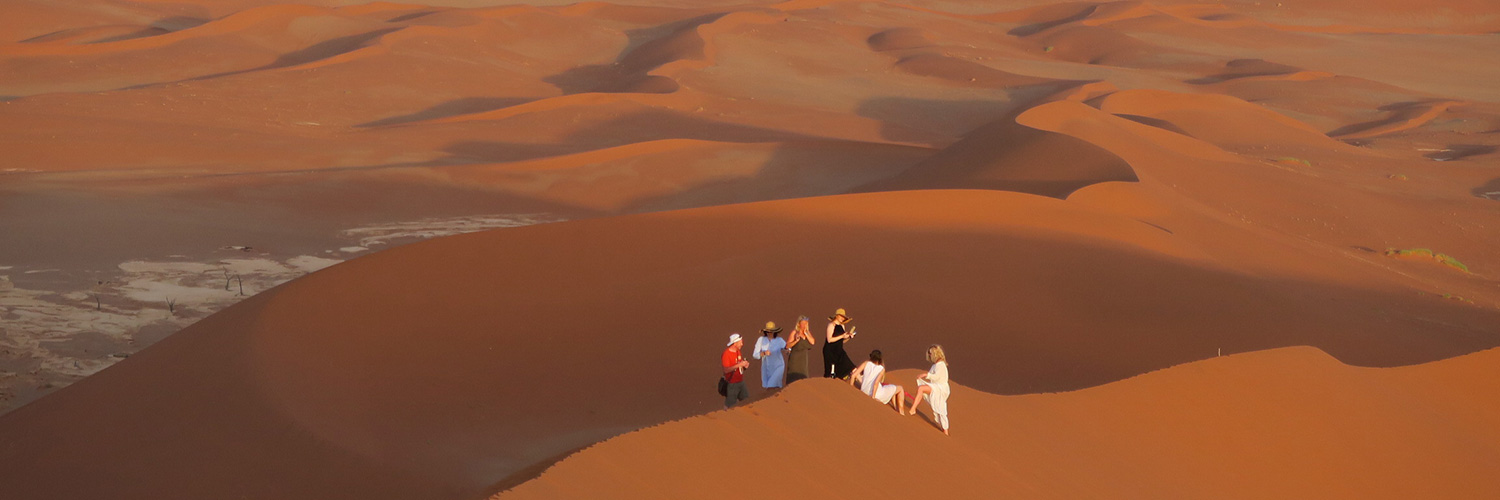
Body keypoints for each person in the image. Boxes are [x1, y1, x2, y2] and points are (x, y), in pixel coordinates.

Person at [906, 344, 950, 435]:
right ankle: (945, 431)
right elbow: (932, 376)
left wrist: (926, 375)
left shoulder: (940, 365)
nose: (929, 355)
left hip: (941, 388)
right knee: (939, 407)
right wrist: (925, 376)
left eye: (930, 353)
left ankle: (912, 409)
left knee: (922, 389)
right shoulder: (935, 365)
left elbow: (937, 377)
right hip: (937, 386)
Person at [849, 349, 905, 414]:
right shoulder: (881, 369)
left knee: (891, 389)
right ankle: (901, 412)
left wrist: (851, 387)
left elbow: (853, 375)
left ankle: (895, 407)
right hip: (878, 394)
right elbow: (876, 383)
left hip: (864, 391)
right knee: (900, 388)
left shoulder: (866, 363)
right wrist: (873, 397)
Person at [822, 308, 856, 379]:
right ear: (836, 316)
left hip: (839, 351)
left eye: (844, 317)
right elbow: (829, 340)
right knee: (830, 372)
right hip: (830, 351)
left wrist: (848, 337)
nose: (842, 318)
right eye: (841, 316)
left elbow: (842, 341)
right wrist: (842, 336)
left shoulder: (842, 326)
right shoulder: (831, 325)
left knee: (850, 367)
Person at [722, 333, 750, 408]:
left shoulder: (738, 352)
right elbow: (726, 370)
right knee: (730, 406)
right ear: (735, 343)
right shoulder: (726, 354)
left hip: (740, 382)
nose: (742, 344)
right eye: (740, 342)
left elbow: (738, 366)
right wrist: (739, 365)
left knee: (747, 401)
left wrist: (744, 366)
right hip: (732, 384)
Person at [784, 316, 815, 384]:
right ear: (799, 324)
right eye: (803, 323)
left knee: (803, 376)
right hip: (795, 358)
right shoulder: (794, 332)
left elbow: (812, 342)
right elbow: (787, 345)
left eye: (806, 323)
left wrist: (806, 333)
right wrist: (796, 341)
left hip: (803, 358)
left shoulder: (807, 333)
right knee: (794, 378)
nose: (804, 325)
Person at [757, 321, 787, 389]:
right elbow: (755, 355)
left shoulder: (779, 340)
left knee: (772, 385)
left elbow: (786, 347)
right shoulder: (761, 340)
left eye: (771, 331)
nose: (769, 333)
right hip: (767, 367)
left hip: (778, 366)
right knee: (770, 387)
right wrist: (764, 353)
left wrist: (788, 350)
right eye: (767, 332)